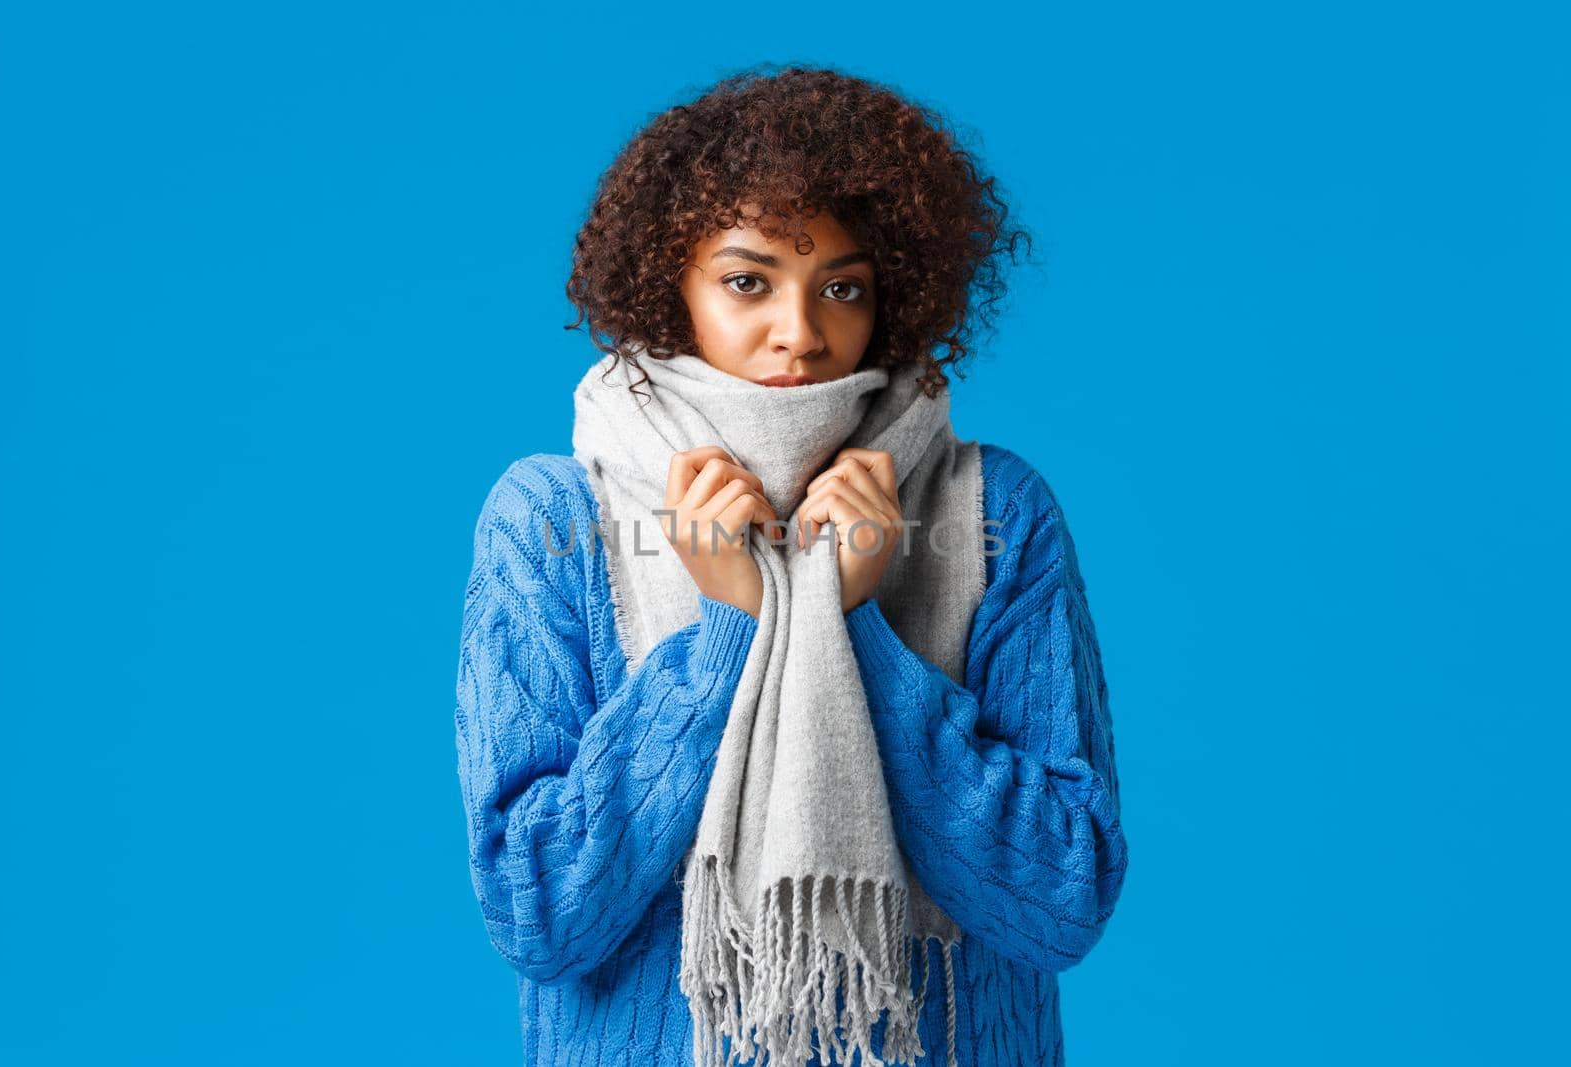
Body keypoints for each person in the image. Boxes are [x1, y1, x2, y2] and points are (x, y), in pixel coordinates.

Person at [454, 64, 1128, 1067]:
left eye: (843, 287)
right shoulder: (553, 518)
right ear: (666, 284)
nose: (800, 333)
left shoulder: (992, 510)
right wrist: (723, 639)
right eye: (746, 280)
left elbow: (1057, 902)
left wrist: (857, 623)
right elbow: (539, 912)